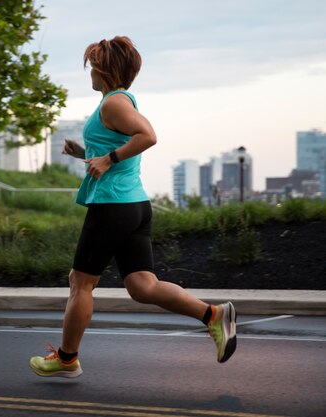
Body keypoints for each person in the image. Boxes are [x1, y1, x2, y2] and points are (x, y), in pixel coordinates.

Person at [29, 36, 237, 378]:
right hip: (134, 205)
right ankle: (213, 315)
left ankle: (66, 359)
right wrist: (85, 154)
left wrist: (108, 159)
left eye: (93, 66)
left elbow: (147, 136)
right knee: (143, 286)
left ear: (105, 70)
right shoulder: (118, 103)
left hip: (112, 207)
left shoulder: (114, 103)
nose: (89, 73)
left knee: (80, 283)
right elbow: (122, 144)